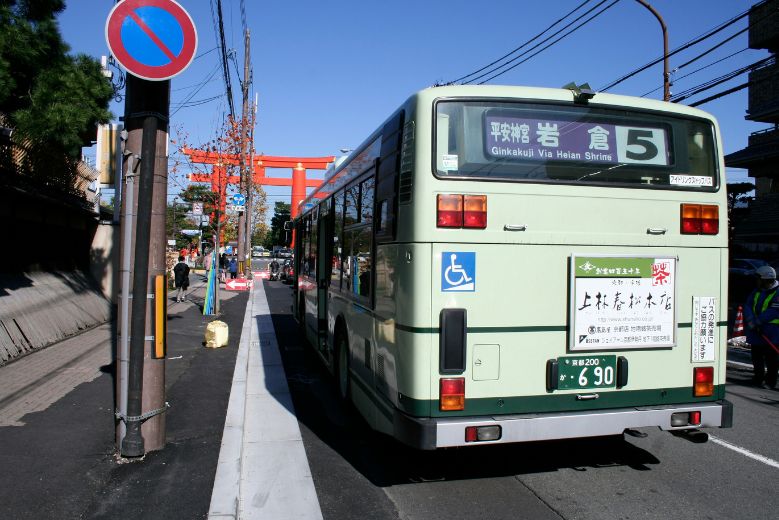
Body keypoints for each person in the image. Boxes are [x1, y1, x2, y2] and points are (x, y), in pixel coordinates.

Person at [743, 265, 779, 390]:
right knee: (756, 355)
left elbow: (774, 311)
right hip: (756, 330)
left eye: (758, 278)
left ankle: (770, 381)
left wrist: (757, 321)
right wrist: (750, 320)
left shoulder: (777, 292)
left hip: (773, 332)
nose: (756, 281)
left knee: (771, 358)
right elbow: (747, 305)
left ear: (765, 279)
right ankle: (758, 378)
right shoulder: (757, 290)